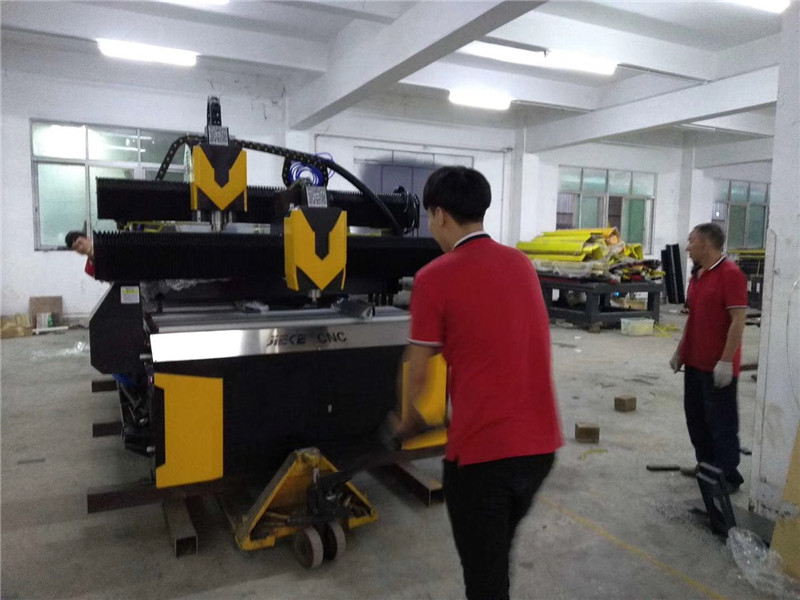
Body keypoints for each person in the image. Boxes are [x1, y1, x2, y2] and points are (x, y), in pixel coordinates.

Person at [392, 166, 563, 600]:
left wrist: (407, 421)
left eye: (429, 216)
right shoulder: (521, 264)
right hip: (540, 450)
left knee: (484, 581)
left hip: (484, 456)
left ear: (440, 215)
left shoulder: (434, 277)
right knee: (495, 558)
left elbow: (418, 367)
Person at [670, 222, 748, 492]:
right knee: (696, 420)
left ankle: (728, 476)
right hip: (694, 362)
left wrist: (726, 361)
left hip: (717, 366)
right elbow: (694, 319)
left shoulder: (731, 275)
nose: (688, 247)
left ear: (707, 243)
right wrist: (681, 351)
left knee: (722, 423)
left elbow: (738, 320)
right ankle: (706, 466)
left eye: (692, 241)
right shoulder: (698, 276)